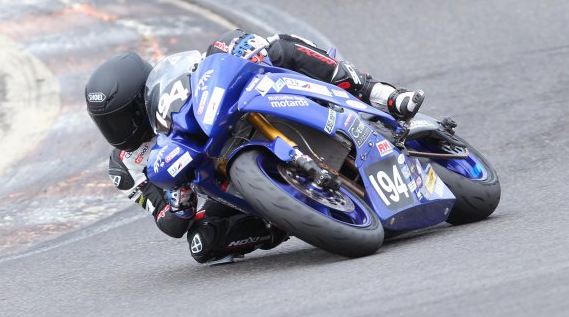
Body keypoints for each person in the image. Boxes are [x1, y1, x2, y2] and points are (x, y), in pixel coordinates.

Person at [85, 29, 424, 265]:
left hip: (232, 116)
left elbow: (218, 61)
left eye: (122, 118)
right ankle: (285, 218)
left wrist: (242, 48)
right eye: (108, 124)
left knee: (277, 46)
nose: (119, 131)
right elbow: (169, 223)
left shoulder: (178, 78)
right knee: (203, 243)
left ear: (141, 99)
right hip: (223, 185)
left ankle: (377, 92)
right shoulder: (125, 167)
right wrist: (179, 202)